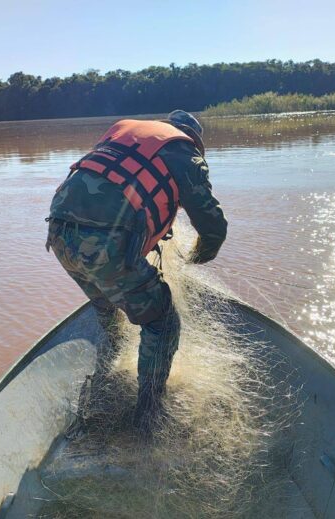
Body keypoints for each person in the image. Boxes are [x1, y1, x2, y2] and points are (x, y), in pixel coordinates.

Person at [45, 110, 227, 435]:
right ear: (194, 140)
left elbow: (114, 187)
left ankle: (110, 362)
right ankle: (148, 415)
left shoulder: (125, 132)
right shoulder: (183, 150)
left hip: (59, 233)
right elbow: (210, 221)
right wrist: (202, 253)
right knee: (162, 322)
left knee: (105, 301)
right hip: (107, 242)